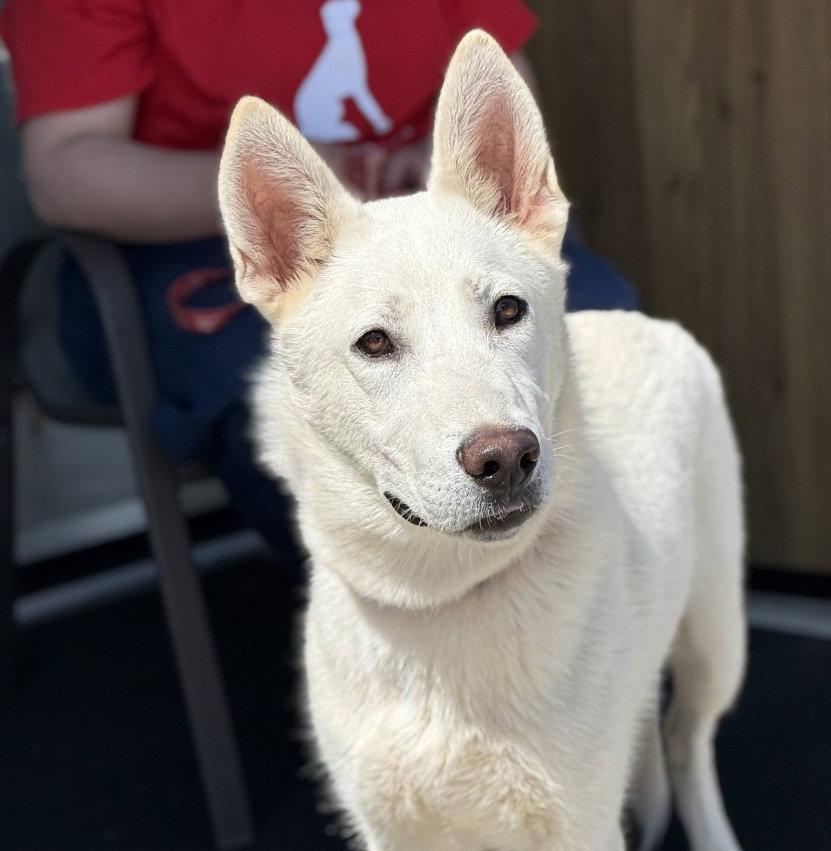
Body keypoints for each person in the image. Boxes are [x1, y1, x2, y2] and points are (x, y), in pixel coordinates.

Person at [1, 1, 639, 572]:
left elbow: (501, 78)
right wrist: (315, 200)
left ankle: (598, 643)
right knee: (279, 402)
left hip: (424, 219)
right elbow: (65, 171)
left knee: (608, 331)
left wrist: (429, 161)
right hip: (201, 245)